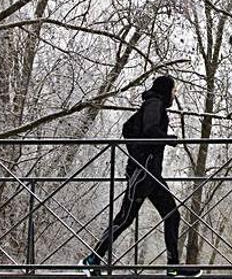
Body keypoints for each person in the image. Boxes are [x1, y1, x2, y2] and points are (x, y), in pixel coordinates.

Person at [79, 75, 202, 277]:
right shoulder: (154, 104)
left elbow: (129, 128)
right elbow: (150, 130)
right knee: (125, 218)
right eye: (174, 90)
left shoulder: (154, 105)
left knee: (172, 215)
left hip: (151, 174)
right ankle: (92, 259)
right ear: (165, 90)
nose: (175, 94)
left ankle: (173, 266)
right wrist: (168, 139)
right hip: (143, 174)